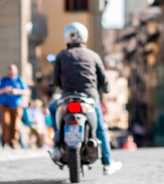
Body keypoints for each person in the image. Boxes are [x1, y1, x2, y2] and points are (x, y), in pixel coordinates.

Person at [49, 21, 122, 174]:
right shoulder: (93, 56)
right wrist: (106, 88)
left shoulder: (61, 56)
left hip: (68, 98)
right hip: (89, 99)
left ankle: (56, 142)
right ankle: (107, 164)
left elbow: (55, 81)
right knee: (101, 128)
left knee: (52, 107)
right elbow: (103, 79)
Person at [0, 65, 26, 148]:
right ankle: (4, 142)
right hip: (4, 104)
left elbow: (26, 91)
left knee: (15, 124)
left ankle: (13, 142)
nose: (10, 75)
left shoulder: (19, 80)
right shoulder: (4, 80)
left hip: (16, 105)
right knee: (5, 122)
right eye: (9, 73)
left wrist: (16, 91)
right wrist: (5, 90)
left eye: (12, 73)